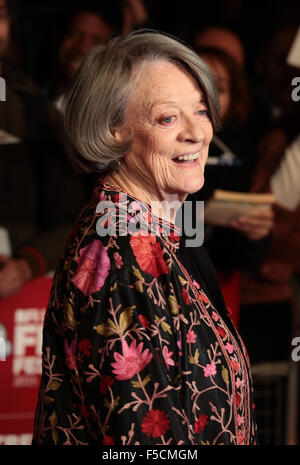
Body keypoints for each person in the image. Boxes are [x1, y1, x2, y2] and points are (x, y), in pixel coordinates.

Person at [32, 30, 257, 446]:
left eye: (202, 111)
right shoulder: (117, 255)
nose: (197, 133)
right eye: (168, 118)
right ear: (113, 130)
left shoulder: (160, 234)